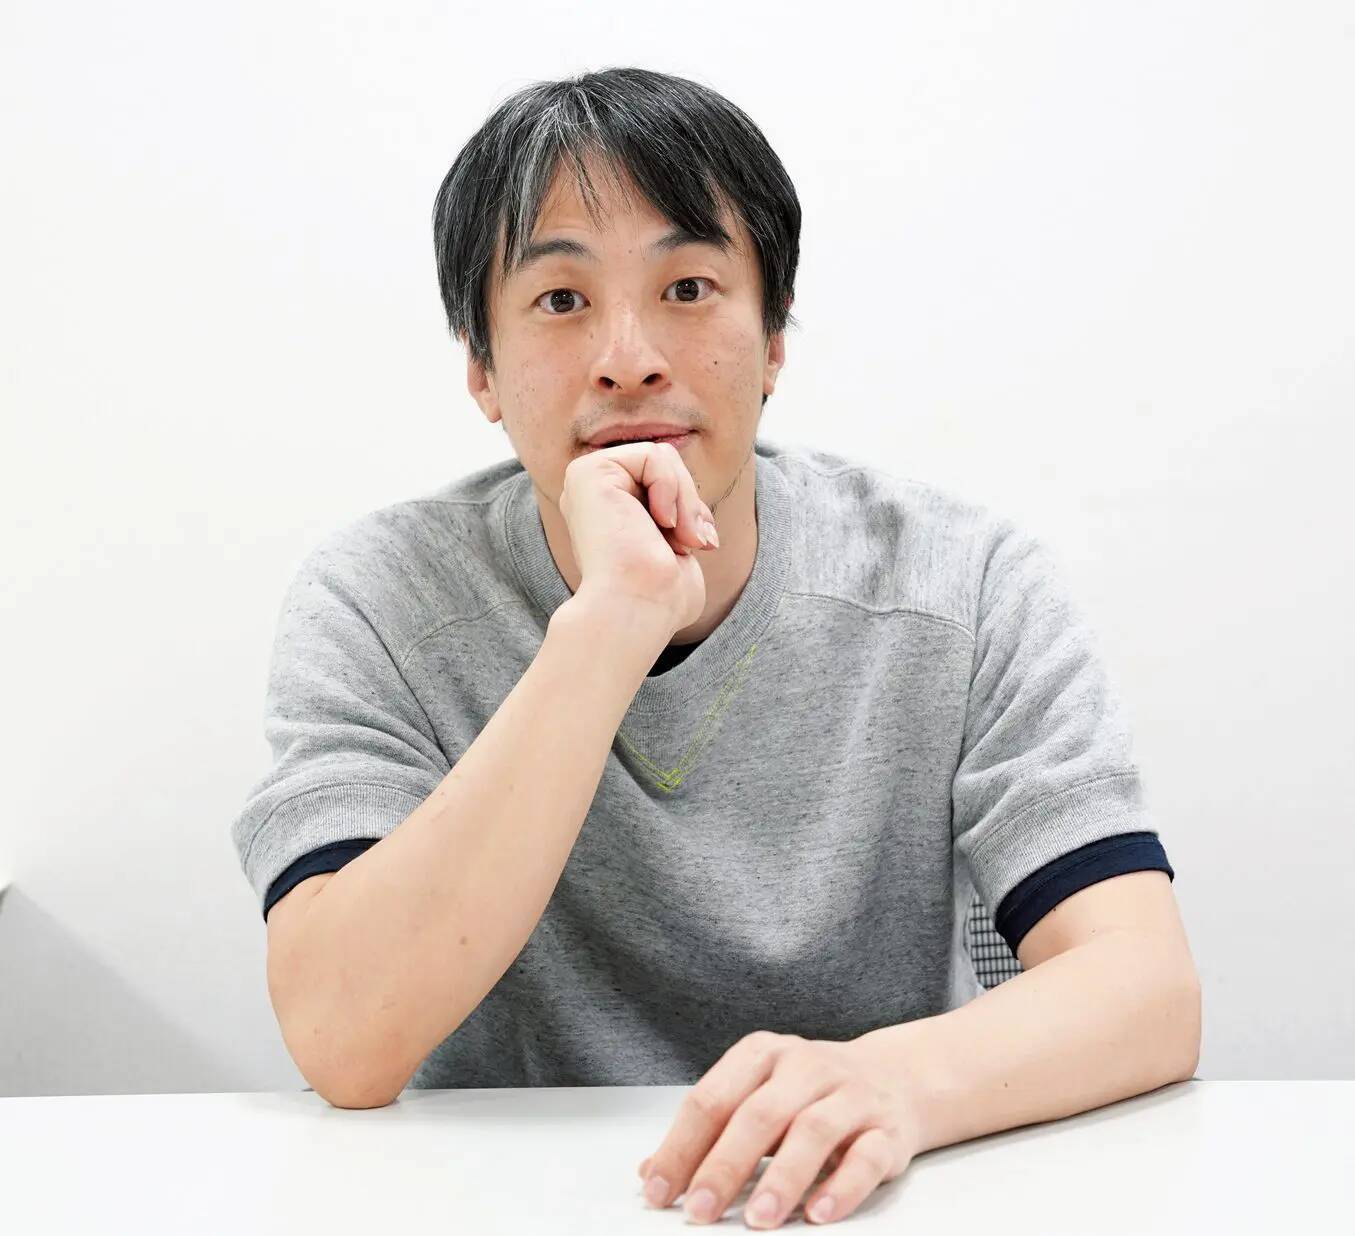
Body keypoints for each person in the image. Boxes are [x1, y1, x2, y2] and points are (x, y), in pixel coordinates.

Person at [231, 70, 1189, 1150]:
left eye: (687, 288)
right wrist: (608, 627)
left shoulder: (960, 582)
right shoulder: (379, 599)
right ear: (482, 370)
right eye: (560, 300)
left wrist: (888, 1085)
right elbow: (342, 1039)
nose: (628, 362)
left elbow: (1145, 985)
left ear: (773, 339)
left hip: (857, 1190)